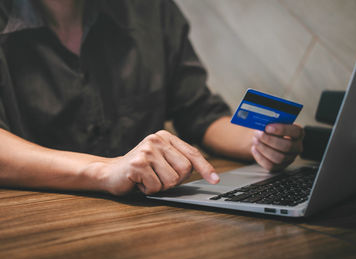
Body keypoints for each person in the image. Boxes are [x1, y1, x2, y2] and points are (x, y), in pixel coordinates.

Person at [0, 0, 304, 196]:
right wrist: (105, 170)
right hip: (38, 222)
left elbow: (200, 113)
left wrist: (261, 140)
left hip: (149, 215)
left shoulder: (151, 9)